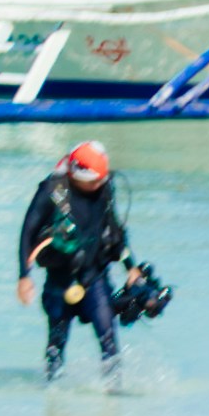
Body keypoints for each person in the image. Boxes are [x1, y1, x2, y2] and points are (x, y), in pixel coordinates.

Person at [16, 137, 131, 377]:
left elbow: (115, 229)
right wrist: (24, 277)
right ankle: (52, 395)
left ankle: (114, 396)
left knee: (108, 339)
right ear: (77, 175)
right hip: (59, 281)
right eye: (95, 181)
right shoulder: (53, 190)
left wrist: (131, 267)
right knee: (56, 346)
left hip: (95, 277)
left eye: (103, 179)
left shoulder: (105, 185)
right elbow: (27, 233)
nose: (101, 184)